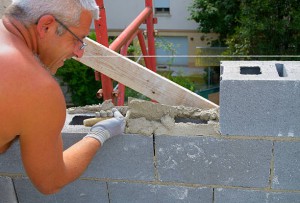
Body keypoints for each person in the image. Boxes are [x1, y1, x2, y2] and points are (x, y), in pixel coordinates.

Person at [0, 0, 125, 195]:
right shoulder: (37, 88)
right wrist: (99, 134)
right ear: (46, 26)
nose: (79, 52)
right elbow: (51, 181)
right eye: (78, 39)